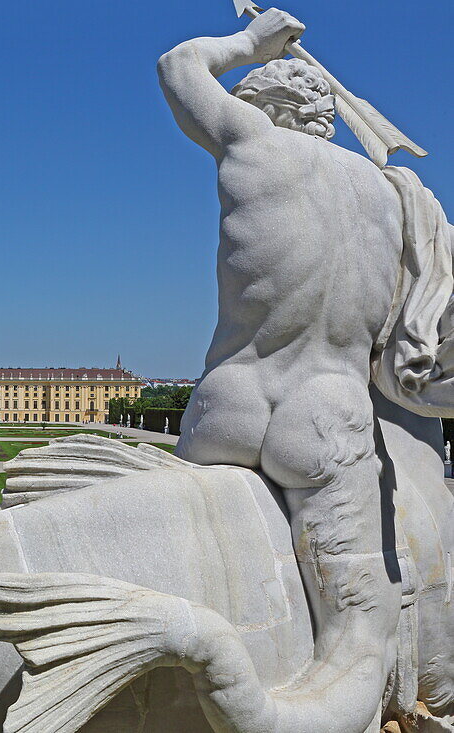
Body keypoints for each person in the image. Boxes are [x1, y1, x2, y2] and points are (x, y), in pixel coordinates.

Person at [157, 8, 434, 728]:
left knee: (167, 569)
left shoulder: (249, 141)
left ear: (261, 108)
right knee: (358, 642)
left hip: (233, 399)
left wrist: (247, 44)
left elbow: (178, 66)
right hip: (328, 413)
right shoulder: (392, 198)